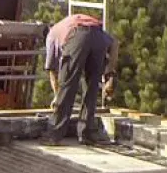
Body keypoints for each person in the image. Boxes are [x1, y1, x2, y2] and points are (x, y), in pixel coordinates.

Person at [42, 12, 119, 144]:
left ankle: (54, 134)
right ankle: (87, 133)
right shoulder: (68, 22)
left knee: (68, 83)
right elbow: (115, 43)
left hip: (78, 35)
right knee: (92, 87)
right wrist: (110, 75)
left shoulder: (51, 35)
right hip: (98, 35)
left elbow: (52, 71)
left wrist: (57, 95)